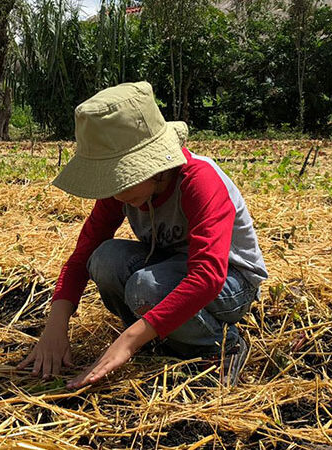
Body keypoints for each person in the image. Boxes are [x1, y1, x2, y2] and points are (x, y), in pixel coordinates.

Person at [17, 81, 268, 388]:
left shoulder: (198, 180)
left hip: (230, 284)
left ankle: (218, 347)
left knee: (144, 288)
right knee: (104, 259)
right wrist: (54, 328)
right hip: (171, 269)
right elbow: (82, 256)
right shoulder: (121, 193)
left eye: (122, 177)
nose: (116, 192)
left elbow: (207, 276)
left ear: (152, 166)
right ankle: (163, 339)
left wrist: (127, 343)